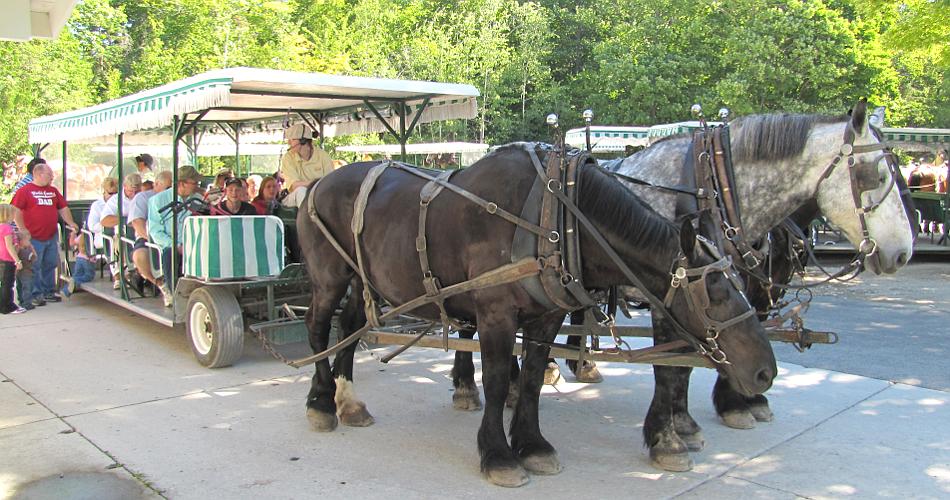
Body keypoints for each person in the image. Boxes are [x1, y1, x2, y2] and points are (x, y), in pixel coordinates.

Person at [10, 163, 78, 306]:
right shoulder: (25, 191)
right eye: (49, 175)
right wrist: (22, 229)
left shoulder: (53, 191)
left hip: (51, 235)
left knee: (51, 263)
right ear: (39, 174)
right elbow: (15, 210)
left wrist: (70, 222)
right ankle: (36, 294)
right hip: (33, 236)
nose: (52, 177)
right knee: (34, 265)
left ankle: (49, 291)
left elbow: (63, 208)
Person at [148, 166, 202, 307]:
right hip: (171, 245)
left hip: (194, 243)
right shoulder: (158, 201)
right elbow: (155, 231)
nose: (197, 186)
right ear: (182, 183)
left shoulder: (198, 199)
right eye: (194, 183)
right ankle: (175, 293)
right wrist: (176, 246)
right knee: (169, 254)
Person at [126, 170, 170, 294]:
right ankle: (159, 284)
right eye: (167, 187)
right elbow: (137, 223)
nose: (170, 190)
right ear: (156, 184)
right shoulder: (143, 197)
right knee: (140, 255)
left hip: (170, 236)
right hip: (147, 238)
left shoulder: (174, 197)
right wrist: (153, 239)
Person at [100, 173, 142, 289]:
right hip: (122, 233)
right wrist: (126, 219)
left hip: (141, 232)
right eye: (130, 191)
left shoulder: (144, 198)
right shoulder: (115, 200)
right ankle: (121, 274)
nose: (133, 195)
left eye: (136, 192)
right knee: (120, 241)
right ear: (124, 187)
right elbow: (104, 220)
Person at [279, 123, 334, 207]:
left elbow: (330, 182)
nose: (289, 143)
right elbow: (294, 186)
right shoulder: (288, 158)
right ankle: (309, 219)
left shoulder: (323, 155)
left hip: (320, 196)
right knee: (301, 191)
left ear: (303, 141)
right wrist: (317, 182)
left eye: (292, 139)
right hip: (294, 198)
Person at [0, 204, 27, 314]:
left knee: (3, 283)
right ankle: (8, 306)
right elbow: (9, 246)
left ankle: (3, 305)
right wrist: (17, 260)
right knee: (8, 284)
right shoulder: (6, 228)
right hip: (7, 259)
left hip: (1, 258)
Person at [86, 177, 119, 252]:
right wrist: (109, 225)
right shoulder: (97, 205)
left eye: (116, 193)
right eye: (110, 193)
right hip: (103, 237)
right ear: (104, 191)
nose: (113, 197)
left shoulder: (121, 204)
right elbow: (92, 226)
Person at [61, 228, 95, 299]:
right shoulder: (93, 237)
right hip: (88, 259)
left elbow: (71, 243)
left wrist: (73, 234)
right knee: (88, 276)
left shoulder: (81, 236)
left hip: (79, 258)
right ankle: (74, 281)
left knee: (76, 275)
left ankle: (66, 290)